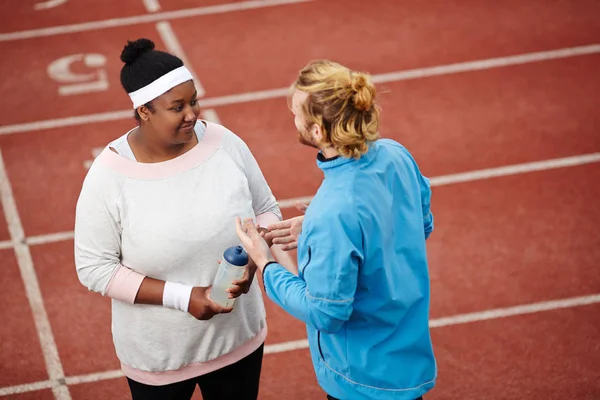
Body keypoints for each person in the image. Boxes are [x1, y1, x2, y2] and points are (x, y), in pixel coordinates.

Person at [74, 38, 292, 400]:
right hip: (160, 358)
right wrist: (186, 297)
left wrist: (256, 260)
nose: (192, 114)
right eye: (177, 107)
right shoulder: (108, 175)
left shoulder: (225, 143)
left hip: (238, 340)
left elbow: (266, 208)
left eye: (193, 101)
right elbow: (95, 268)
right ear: (145, 111)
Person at [235, 60, 436, 400]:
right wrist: (314, 227)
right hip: (408, 362)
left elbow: (326, 312)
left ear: (316, 132)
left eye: (297, 113)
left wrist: (266, 265)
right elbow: (419, 225)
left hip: (361, 380)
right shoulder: (396, 155)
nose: (293, 119)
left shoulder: (333, 211)